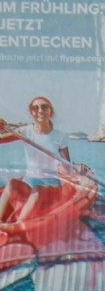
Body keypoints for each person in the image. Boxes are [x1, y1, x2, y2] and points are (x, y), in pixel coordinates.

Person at [0, 96, 69, 226]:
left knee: (37, 190)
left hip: (51, 184)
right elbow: (1, 140)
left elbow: (67, 165)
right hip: (29, 181)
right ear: (31, 113)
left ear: (51, 112)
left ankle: (18, 225)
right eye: (35, 108)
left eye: (44, 107)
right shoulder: (25, 131)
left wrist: (77, 169)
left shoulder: (60, 136)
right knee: (12, 183)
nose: (40, 111)